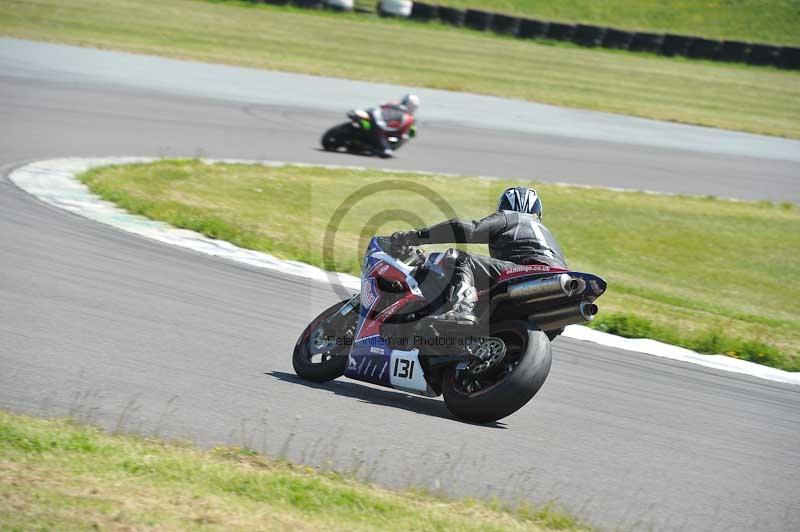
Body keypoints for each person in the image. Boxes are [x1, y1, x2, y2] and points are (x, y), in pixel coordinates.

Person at [390, 186, 567, 325]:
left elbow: (464, 229)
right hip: (559, 285)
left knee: (458, 258)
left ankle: (462, 309)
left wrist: (415, 236)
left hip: (529, 272)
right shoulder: (546, 233)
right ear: (538, 212)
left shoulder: (511, 217)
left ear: (503, 207)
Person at [366, 94, 419, 158]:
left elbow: (381, 104)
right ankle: (381, 149)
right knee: (387, 151)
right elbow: (402, 130)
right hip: (379, 124)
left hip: (372, 114)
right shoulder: (408, 117)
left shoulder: (393, 104)